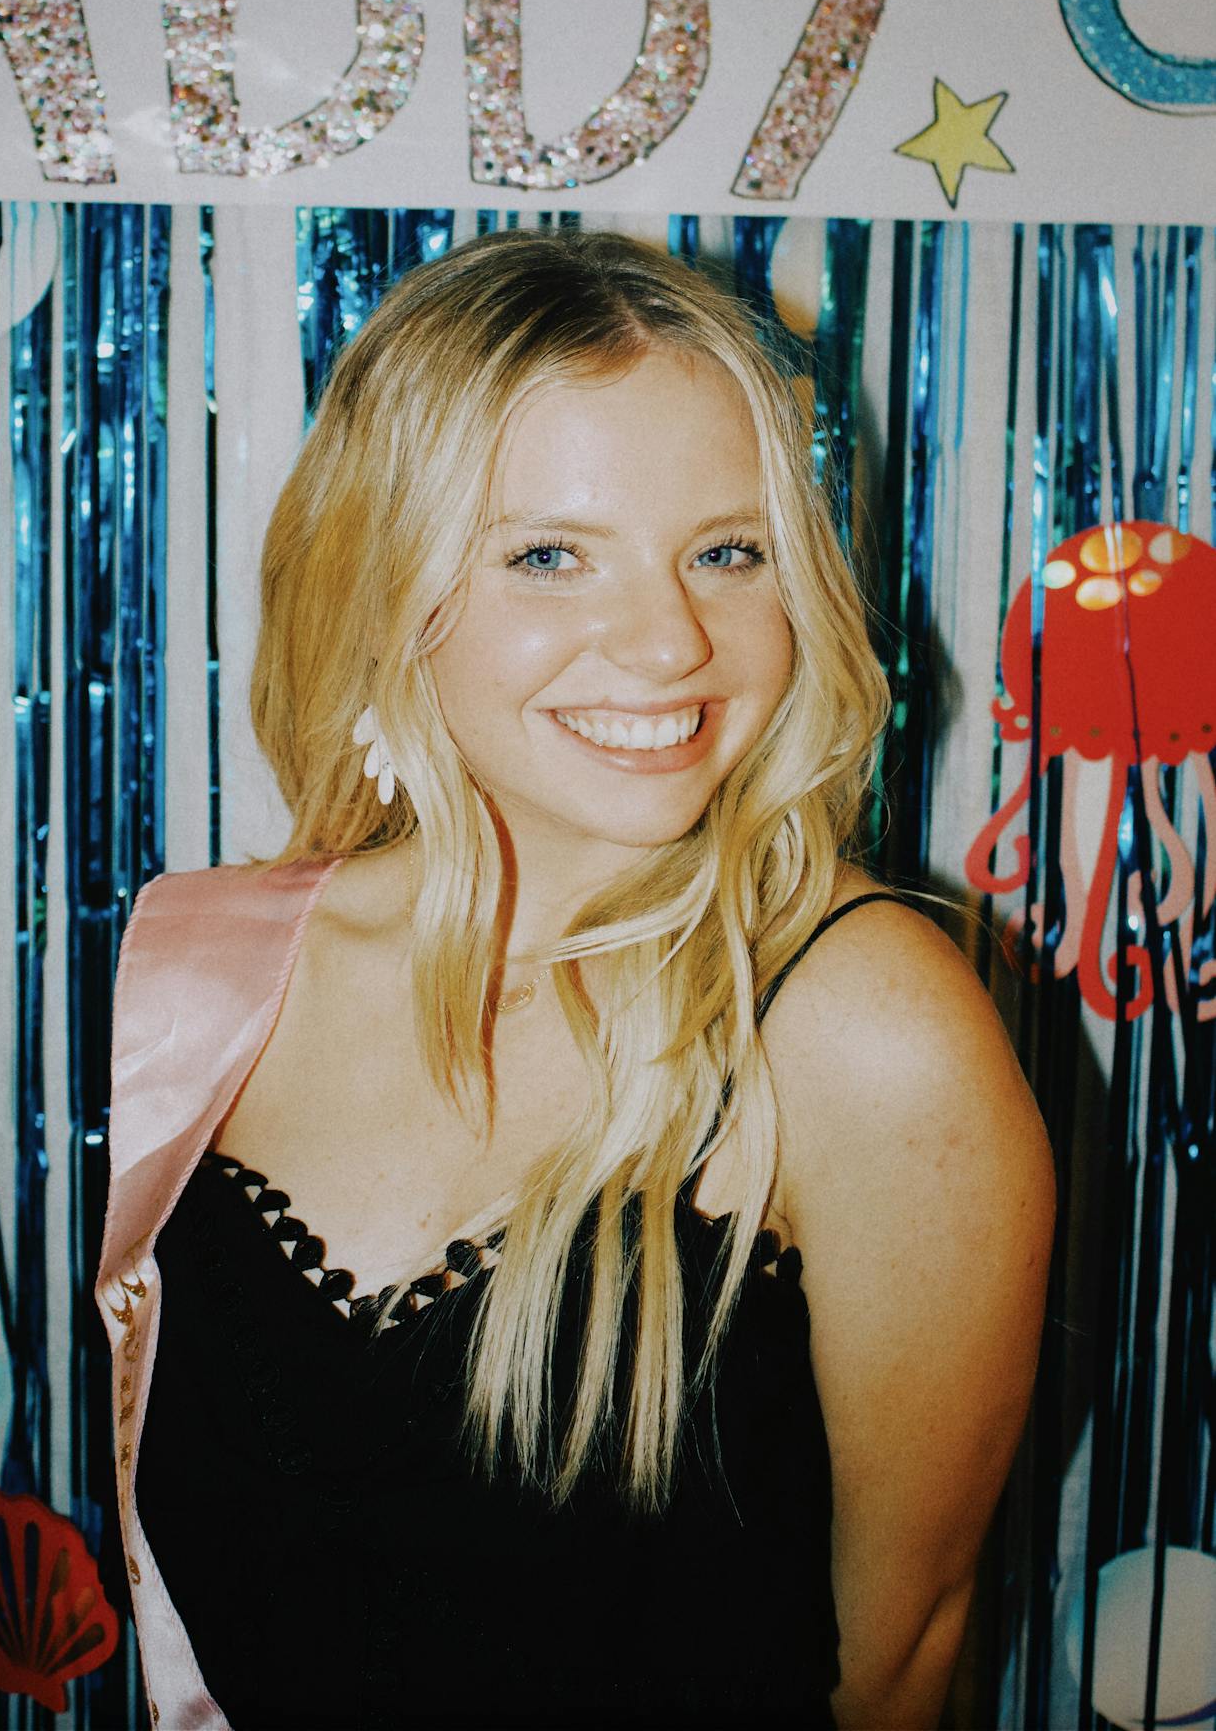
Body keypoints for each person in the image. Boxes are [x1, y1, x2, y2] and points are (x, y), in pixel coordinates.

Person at [96, 228, 1054, 1730]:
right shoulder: (205, 972)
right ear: (381, 583)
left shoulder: (862, 1026)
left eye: (726, 553)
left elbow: (901, 1654)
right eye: (549, 555)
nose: (670, 641)